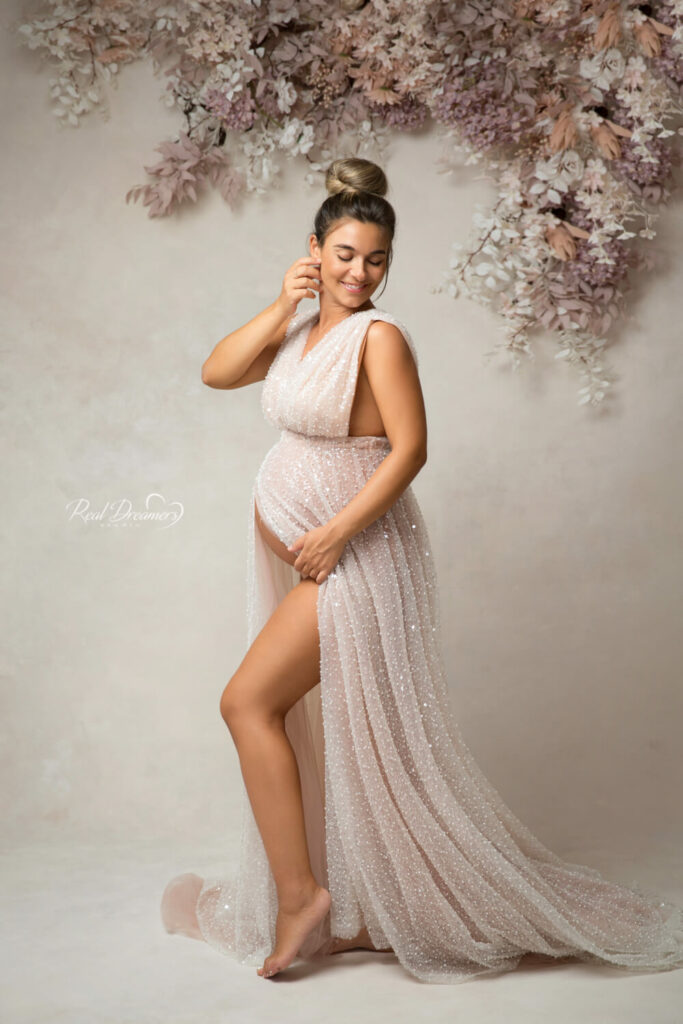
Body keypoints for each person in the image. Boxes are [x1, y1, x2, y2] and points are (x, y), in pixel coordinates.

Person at [160, 157, 683, 985]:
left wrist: (335, 534)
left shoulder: (379, 339)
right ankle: (326, 894)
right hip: (321, 554)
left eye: (375, 260)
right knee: (266, 709)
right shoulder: (301, 333)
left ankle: (302, 898)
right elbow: (216, 371)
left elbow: (409, 451)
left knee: (247, 702)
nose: (359, 272)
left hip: (358, 559)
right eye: (344, 255)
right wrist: (283, 303)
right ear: (313, 250)